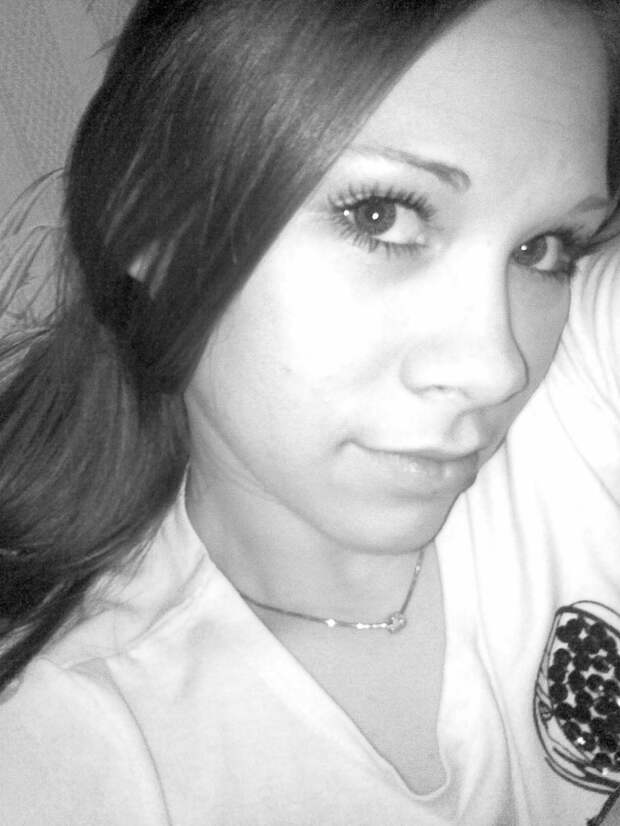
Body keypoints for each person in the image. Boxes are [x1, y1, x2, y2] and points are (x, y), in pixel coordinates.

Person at [0, 0, 619, 823]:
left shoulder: (586, 383)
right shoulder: (72, 752)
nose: (496, 368)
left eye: (542, 249)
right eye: (381, 215)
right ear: (149, 221)